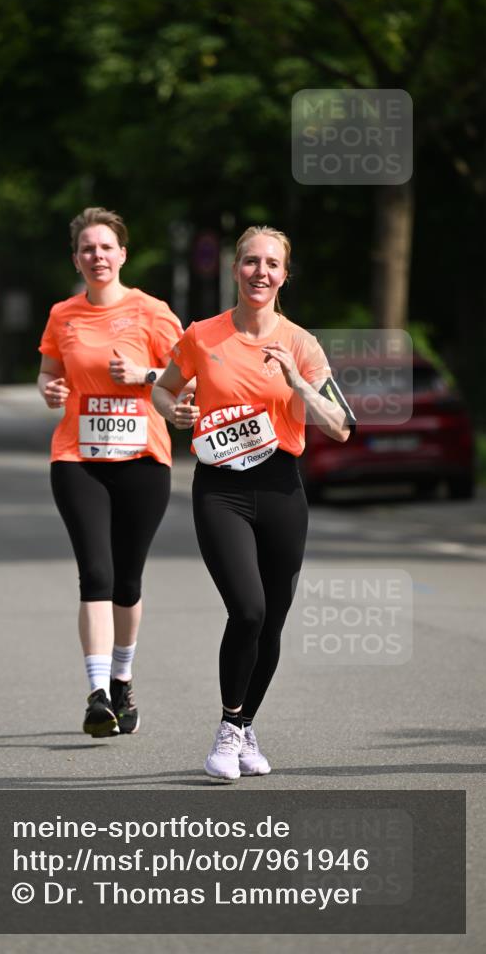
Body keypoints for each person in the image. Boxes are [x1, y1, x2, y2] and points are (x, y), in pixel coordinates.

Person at [153, 225, 355, 780]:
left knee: (272, 624)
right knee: (248, 609)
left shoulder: (301, 344)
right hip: (221, 488)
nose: (260, 272)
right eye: (250, 262)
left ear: (284, 275)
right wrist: (174, 412)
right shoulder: (203, 335)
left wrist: (298, 382)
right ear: (235, 268)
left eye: (271, 264)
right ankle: (227, 730)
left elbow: (341, 426)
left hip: (281, 487)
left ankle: (244, 726)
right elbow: (163, 388)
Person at [38, 207, 184, 737]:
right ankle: (97, 694)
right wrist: (49, 389)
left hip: (142, 459)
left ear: (122, 254)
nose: (96, 256)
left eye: (105, 247)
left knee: (127, 579)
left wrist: (144, 374)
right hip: (78, 458)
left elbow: (187, 378)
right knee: (95, 574)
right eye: (87, 249)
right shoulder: (63, 315)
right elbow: (48, 372)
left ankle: (123, 679)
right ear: (75, 259)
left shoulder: (152, 311)